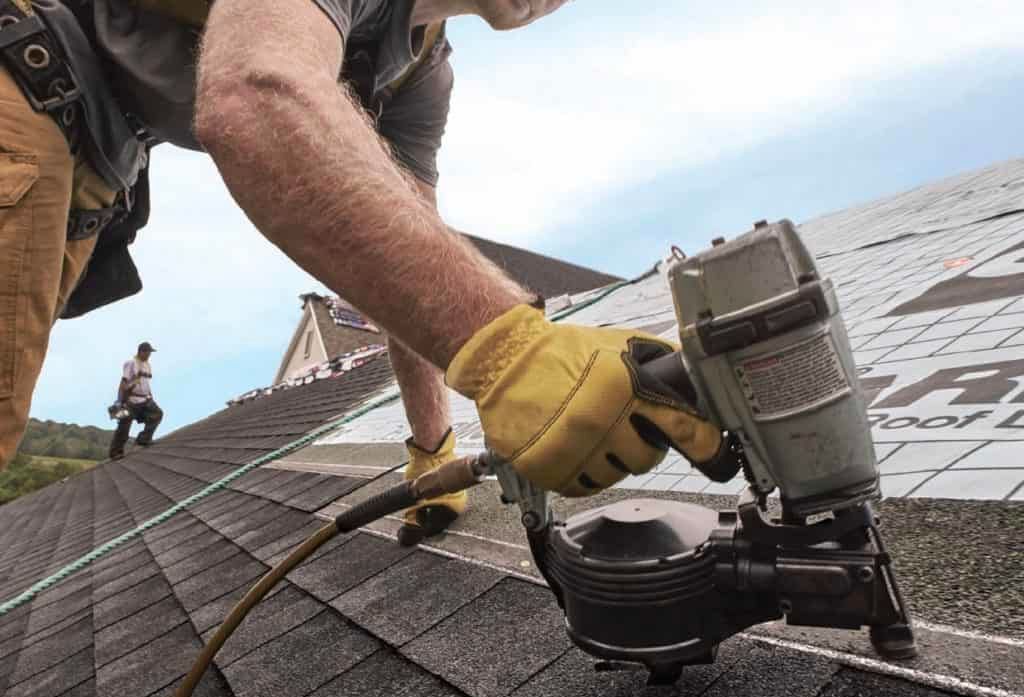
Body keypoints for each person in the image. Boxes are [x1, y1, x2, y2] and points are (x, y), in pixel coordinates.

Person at [0, 0, 728, 544]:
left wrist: (431, 451)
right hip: (23, 80)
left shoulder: (417, 78)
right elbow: (255, 92)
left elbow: (409, 260)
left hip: (84, 156)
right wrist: (513, 352)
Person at [108, 340, 162, 459]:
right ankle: (116, 452)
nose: (149, 355)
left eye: (150, 352)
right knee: (124, 426)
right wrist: (119, 401)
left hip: (145, 400)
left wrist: (151, 396)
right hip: (131, 401)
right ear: (141, 351)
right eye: (148, 352)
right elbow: (123, 382)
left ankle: (143, 439)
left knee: (157, 414)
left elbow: (146, 383)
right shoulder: (131, 363)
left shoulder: (147, 365)